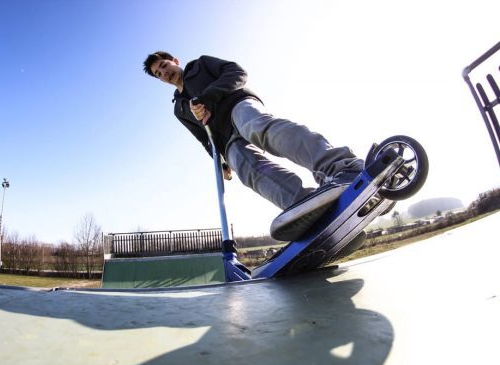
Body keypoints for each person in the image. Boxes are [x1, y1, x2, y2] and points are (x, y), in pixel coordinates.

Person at [143, 51, 365, 238]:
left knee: (258, 129)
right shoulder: (179, 109)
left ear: (175, 61)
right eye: (158, 73)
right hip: (224, 136)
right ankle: (306, 206)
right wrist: (220, 162)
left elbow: (238, 73)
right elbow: (203, 138)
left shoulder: (201, 65)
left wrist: (209, 95)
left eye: (164, 65)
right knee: (248, 170)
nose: (164, 73)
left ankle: (340, 167)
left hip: (238, 105)